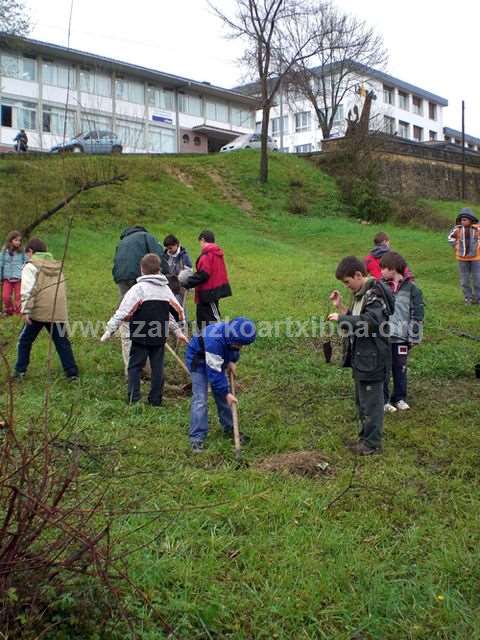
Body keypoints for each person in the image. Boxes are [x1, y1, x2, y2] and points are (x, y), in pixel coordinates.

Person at [328, 256, 394, 455]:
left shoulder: (375, 293)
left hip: (373, 358)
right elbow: (358, 317)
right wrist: (341, 308)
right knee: (362, 401)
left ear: (358, 275)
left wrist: (342, 319)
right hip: (362, 357)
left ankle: (372, 445)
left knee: (371, 403)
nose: (347, 287)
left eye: (347, 282)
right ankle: (365, 439)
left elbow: (371, 321)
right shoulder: (362, 293)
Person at [101, 254, 186, 405]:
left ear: (141, 269)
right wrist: (179, 331)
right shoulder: (165, 290)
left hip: (140, 334)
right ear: (159, 270)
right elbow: (176, 312)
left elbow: (123, 311)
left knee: (134, 367)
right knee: (158, 368)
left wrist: (109, 330)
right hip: (159, 335)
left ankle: (133, 398)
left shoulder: (138, 289)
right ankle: (155, 400)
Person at [185, 317, 256, 452]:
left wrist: (231, 361)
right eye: (239, 344)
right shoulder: (215, 340)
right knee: (200, 400)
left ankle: (230, 428)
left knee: (224, 399)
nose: (240, 347)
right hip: (198, 360)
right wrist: (226, 393)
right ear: (232, 338)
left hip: (216, 359)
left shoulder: (233, 334)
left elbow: (231, 351)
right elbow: (214, 372)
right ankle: (197, 438)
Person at [14, 237, 78, 380]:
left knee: (24, 341)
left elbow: (28, 289)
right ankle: (72, 373)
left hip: (38, 311)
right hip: (57, 310)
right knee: (62, 342)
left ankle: (19, 371)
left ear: (30, 251)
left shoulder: (30, 266)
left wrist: (26, 310)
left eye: (27, 253)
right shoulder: (57, 266)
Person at [112, 226, 170, 373]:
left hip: (122, 279)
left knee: (127, 318)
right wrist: (167, 275)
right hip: (140, 278)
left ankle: (131, 369)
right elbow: (157, 256)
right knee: (146, 319)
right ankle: (146, 367)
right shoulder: (146, 236)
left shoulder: (122, 242)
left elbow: (115, 263)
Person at [380, 251, 424, 413]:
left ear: (393, 268)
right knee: (383, 369)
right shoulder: (380, 287)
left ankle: (399, 398)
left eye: (383, 268)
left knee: (400, 368)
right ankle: (383, 401)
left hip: (402, 339)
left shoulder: (412, 289)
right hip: (383, 337)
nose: (381, 272)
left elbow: (417, 314)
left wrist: (414, 336)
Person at [182, 230, 232, 331]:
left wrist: (188, 282)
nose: (200, 245)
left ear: (203, 240)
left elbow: (203, 274)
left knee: (213, 319)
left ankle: (222, 338)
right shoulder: (215, 253)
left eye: (200, 242)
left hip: (209, 293)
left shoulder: (208, 255)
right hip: (207, 293)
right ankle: (202, 341)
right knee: (202, 318)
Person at [447, 208, 480, 304]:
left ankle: (478, 298)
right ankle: (468, 298)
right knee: (464, 279)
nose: (462, 221)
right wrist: (456, 245)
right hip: (462, 259)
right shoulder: (457, 229)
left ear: (471, 220)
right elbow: (450, 238)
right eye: (461, 220)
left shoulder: (477, 228)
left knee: (477, 278)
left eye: (465, 219)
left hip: (476, 258)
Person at [1, 230, 26, 315]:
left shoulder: (22, 251)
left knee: (18, 297)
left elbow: (26, 263)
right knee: (5, 297)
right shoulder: (4, 252)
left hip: (19, 278)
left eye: (19, 240)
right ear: (10, 240)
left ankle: (18, 313)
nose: (18, 242)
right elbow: (1, 264)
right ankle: (9, 311)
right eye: (16, 240)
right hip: (7, 278)